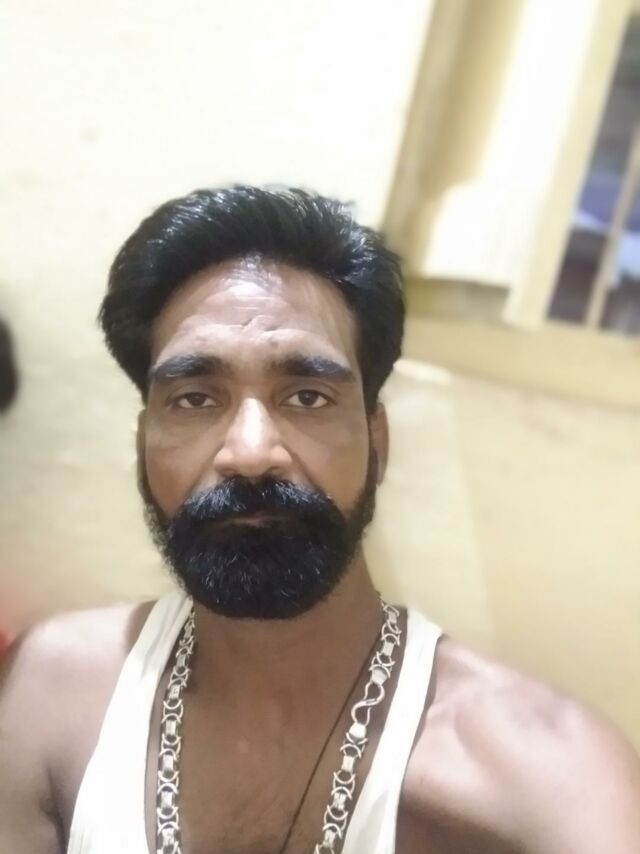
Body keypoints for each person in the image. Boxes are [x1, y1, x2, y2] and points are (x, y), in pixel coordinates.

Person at [0, 187, 638, 854]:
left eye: (307, 397)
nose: (250, 453)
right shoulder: (52, 697)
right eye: (193, 399)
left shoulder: (549, 782)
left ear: (377, 443)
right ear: (142, 445)